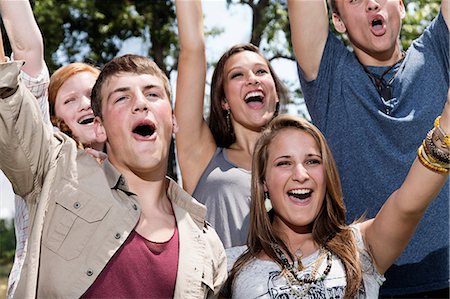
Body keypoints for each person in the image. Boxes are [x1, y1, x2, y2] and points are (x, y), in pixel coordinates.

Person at [0, 53, 227, 298]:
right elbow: (7, 92)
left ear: (173, 120)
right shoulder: (55, 169)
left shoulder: (207, 245)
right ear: (99, 126)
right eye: (121, 97)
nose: (141, 103)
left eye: (153, 94)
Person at [287, 0, 449, 296]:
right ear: (337, 20)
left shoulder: (438, 50)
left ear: (400, 6)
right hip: (366, 282)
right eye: (355, 0)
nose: (372, 3)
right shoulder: (329, 74)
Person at [223, 97, 449, 298]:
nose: (301, 175)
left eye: (312, 161)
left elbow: (408, 205)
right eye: (284, 163)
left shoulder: (362, 247)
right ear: (263, 181)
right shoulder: (230, 265)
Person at [175, 0, 289, 249]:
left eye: (261, 72)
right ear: (224, 101)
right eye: (238, 75)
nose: (252, 80)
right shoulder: (203, 157)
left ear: (276, 93)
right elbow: (192, 49)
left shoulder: (300, 164)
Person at [0, 1, 52, 297]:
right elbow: (28, 55)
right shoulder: (44, 158)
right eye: (71, 99)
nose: (86, 103)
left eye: (93, 93)